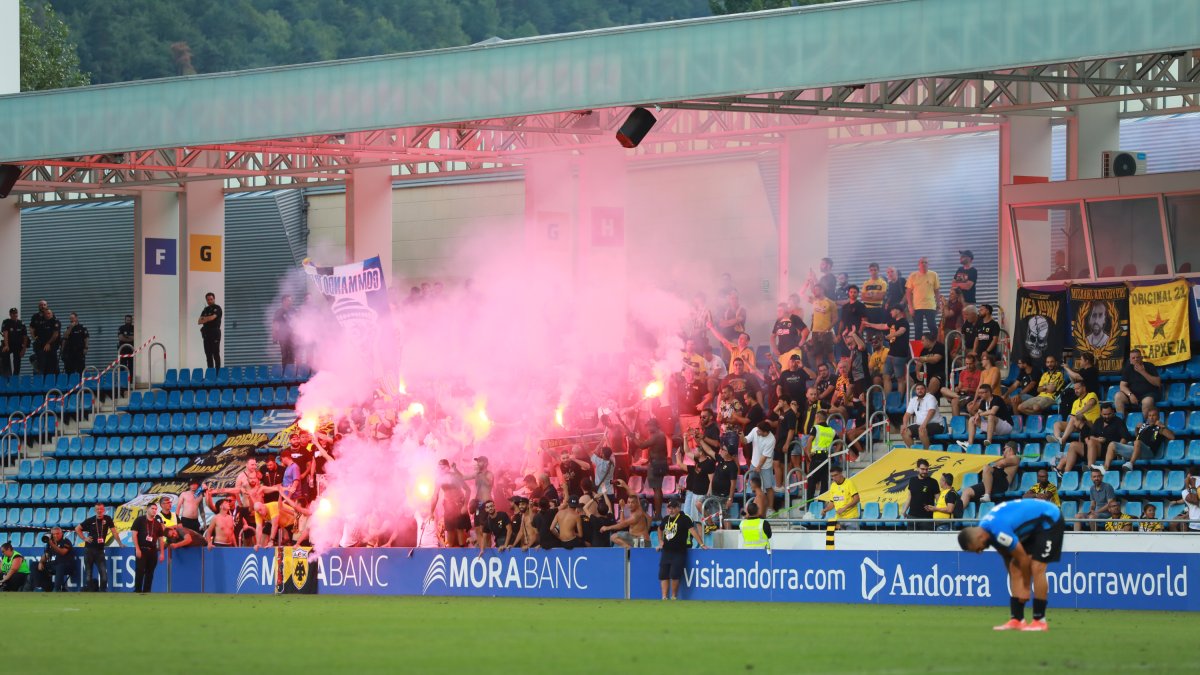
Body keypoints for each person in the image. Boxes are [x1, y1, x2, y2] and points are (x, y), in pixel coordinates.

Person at [958, 499, 1065, 631]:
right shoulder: (986, 530)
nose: (979, 552)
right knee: (1014, 567)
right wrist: (1015, 578)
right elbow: (1007, 556)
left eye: (977, 549)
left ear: (979, 538)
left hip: (1049, 519)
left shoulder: (998, 530)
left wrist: (1025, 587)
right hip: (1033, 526)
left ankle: (1039, 620)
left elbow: (1024, 559)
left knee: (1037, 567)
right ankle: (1017, 619)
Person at [656, 497, 707, 601]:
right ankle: (664, 597)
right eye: (670, 508)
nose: (671, 510)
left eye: (674, 508)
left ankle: (674, 596)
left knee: (675, 575)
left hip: (679, 551)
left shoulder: (684, 518)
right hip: (666, 551)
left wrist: (701, 544)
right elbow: (659, 529)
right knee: (663, 574)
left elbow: (693, 531)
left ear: (678, 508)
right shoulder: (666, 519)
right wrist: (660, 541)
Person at [1101, 407, 1174, 473]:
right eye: (1150, 416)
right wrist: (1136, 430)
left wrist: (1163, 426)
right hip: (1137, 450)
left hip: (1149, 452)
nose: (1151, 418)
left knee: (1137, 443)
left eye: (1154, 415)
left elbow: (1172, 437)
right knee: (1112, 444)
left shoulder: (1159, 428)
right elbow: (1138, 438)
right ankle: (1105, 468)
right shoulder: (1145, 426)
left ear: (1158, 417)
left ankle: (1131, 464)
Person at [76, 503, 124, 592]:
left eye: (101, 509)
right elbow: (77, 528)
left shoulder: (108, 519)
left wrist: (120, 543)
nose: (99, 511)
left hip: (100, 550)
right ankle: (90, 591)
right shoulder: (90, 520)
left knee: (103, 572)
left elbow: (114, 532)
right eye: (97, 509)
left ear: (104, 510)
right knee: (89, 573)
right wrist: (84, 538)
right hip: (89, 549)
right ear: (95, 510)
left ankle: (103, 591)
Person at [958, 383, 1013, 449]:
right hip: (993, 429)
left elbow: (992, 412)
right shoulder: (983, 401)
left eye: (982, 393)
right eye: (979, 393)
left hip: (1006, 426)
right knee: (972, 419)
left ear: (988, 392)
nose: (979, 395)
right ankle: (969, 444)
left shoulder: (997, 399)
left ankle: (988, 442)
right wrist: (977, 416)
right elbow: (978, 413)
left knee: (991, 416)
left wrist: (979, 414)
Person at [1047, 380, 1098, 446]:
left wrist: (1080, 412)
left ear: (1084, 388)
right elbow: (1072, 416)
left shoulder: (1091, 395)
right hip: (1078, 424)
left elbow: (1091, 403)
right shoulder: (1075, 402)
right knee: (1057, 424)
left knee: (1076, 418)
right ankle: (1058, 438)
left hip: (1092, 424)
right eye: (1075, 389)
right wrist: (1076, 418)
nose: (1076, 391)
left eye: (1078, 388)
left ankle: (1063, 440)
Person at [1115, 349, 1161, 417]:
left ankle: (1146, 425)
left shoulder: (1149, 366)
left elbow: (1158, 383)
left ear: (1141, 358)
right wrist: (1130, 394)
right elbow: (1122, 386)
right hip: (1133, 395)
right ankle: (1120, 422)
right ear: (1130, 360)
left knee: (1147, 402)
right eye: (1133, 358)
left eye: (1137, 357)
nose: (1135, 359)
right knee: (1118, 396)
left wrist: (1142, 371)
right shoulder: (1128, 368)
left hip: (1148, 394)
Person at [131, 503, 166, 592]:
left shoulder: (157, 524)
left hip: (153, 550)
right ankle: (137, 590)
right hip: (142, 549)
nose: (154, 510)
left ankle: (147, 591)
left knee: (150, 572)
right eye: (152, 508)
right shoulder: (139, 520)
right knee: (140, 570)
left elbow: (161, 539)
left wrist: (162, 553)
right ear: (147, 509)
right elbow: (134, 535)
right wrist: (137, 548)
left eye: (155, 509)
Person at [905, 256, 940, 340]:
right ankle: (918, 348)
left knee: (932, 325)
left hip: (930, 305)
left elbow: (937, 291)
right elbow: (908, 292)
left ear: (928, 264)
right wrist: (910, 307)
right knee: (918, 328)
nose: (924, 264)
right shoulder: (913, 275)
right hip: (917, 307)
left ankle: (935, 343)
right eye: (922, 262)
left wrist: (938, 304)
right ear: (918, 265)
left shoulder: (933, 274)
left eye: (925, 262)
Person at [745, 422, 777, 512]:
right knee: (753, 486)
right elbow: (745, 440)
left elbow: (764, 456)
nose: (757, 431)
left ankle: (770, 508)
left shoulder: (771, 439)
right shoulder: (755, 430)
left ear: (766, 432)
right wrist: (741, 436)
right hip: (753, 464)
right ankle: (756, 508)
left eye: (760, 431)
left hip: (765, 466)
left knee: (768, 487)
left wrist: (759, 467)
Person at [901, 382, 943, 448]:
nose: (920, 391)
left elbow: (931, 411)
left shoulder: (930, 397)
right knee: (904, 432)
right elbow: (907, 414)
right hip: (921, 425)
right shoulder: (913, 400)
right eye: (918, 389)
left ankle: (927, 453)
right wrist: (904, 425)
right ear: (915, 391)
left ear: (925, 389)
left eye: (922, 389)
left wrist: (924, 424)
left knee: (922, 430)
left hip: (937, 425)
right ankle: (915, 452)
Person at [903, 458, 940, 530]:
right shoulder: (912, 480)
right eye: (922, 469)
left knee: (926, 540)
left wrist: (936, 511)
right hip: (912, 516)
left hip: (927, 518)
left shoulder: (933, 482)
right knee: (910, 539)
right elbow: (909, 497)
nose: (925, 471)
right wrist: (904, 511)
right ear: (917, 469)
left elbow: (938, 500)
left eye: (926, 469)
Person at [39, 526, 74, 592]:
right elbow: (46, 554)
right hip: (54, 564)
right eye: (54, 534)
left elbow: (62, 552)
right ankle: (39, 587)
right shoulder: (50, 542)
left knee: (60, 566)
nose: (55, 535)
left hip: (66, 565)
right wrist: (41, 562)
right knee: (34, 565)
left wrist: (52, 544)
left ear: (61, 533)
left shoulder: (66, 541)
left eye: (57, 533)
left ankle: (56, 589)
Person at [197, 292, 223, 369]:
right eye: (208, 300)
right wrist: (209, 318)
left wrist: (205, 319)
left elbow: (212, 317)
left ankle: (218, 374)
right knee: (208, 354)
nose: (210, 301)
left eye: (211, 299)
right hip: (206, 334)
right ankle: (210, 374)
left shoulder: (217, 308)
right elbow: (199, 321)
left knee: (215, 354)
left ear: (214, 299)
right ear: (206, 300)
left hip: (215, 333)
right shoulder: (205, 310)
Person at [1, 308, 29, 376]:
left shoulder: (21, 323)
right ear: (10, 314)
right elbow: (5, 334)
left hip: (18, 346)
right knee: (4, 357)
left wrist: (24, 349)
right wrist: (6, 345)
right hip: (8, 344)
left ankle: (15, 379)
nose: (15, 315)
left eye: (16, 313)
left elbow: (25, 337)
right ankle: (6, 376)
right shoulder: (6, 322)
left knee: (17, 363)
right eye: (13, 313)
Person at [34, 307, 61, 375]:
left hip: (52, 346)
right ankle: (44, 382)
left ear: (52, 314)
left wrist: (48, 343)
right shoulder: (41, 323)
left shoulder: (55, 322)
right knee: (43, 365)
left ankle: (55, 382)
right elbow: (36, 333)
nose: (47, 315)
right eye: (46, 314)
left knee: (53, 365)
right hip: (42, 347)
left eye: (49, 313)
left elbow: (55, 334)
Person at [272, 295, 295, 367]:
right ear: (284, 301)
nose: (291, 301)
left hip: (292, 336)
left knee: (292, 354)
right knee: (284, 355)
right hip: (282, 337)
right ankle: (285, 373)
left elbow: (297, 323)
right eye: (289, 300)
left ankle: (291, 373)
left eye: (291, 300)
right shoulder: (279, 312)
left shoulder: (293, 311)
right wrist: (274, 336)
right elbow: (275, 324)